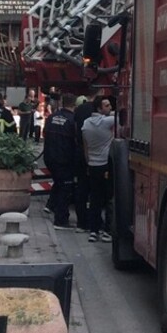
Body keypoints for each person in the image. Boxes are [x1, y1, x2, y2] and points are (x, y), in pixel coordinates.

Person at [80, 96, 115, 243]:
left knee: (95, 199)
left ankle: (94, 230)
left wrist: (88, 163)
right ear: (99, 109)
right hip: (106, 165)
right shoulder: (106, 122)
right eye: (106, 106)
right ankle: (107, 230)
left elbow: (86, 148)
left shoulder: (86, 124)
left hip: (93, 165)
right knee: (109, 199)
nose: (110, 107)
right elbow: (123, 115)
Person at [42, 93, 80, 230]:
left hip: (49, 158)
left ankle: (51, 205)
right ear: (74, 105)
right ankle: (61, 220)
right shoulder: (72, 120)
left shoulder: (51, 117)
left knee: (58, 183)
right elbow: (75, 142)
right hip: (64, 159)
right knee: (65, 188)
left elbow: (44, 135)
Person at [71, 94, 95, 233]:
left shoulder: (79, 111)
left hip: (80, 153)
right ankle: (93, 224)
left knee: (81, 188)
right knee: (96, 192)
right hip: (96, 158)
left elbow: (74, 131)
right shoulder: (98, 117)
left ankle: (81, 223)